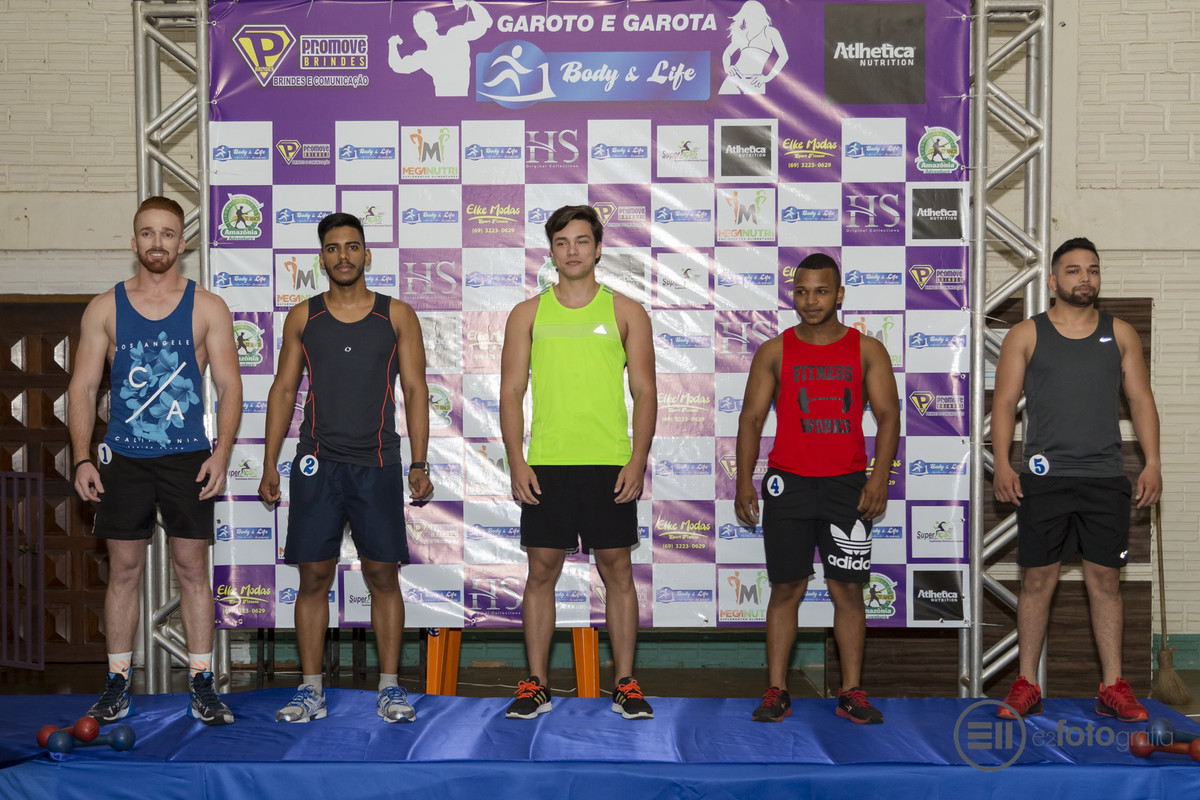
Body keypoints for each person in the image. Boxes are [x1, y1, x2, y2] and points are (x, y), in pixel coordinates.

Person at [68, 195, 242, 726]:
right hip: (124, 458)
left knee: (192, 570)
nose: (157, 243)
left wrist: (222, 453)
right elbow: (83, 387)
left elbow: (230, 387)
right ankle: (118, 684)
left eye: (167, 233)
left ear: (182, 243)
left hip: (187, 458)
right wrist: (81, 458)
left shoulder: (208, 306)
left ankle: (202, 684)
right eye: (147, 233)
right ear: (134, 241)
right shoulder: (104, 307)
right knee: (123, 570)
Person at [258, 212, 434, 723]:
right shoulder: (303, 317)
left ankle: (390, 688)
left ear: (366, 254)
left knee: (382, 574)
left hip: (377, 463)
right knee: (314, 576)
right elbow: (283, 390)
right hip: (317, 464)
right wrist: (269, 463)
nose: (343, 256)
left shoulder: (397, 315)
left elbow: (416, 390)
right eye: (333, 248)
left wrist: (419, 462)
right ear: (322, 258)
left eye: (352, 246)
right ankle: (311, 690)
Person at [992, 237, 1161, 722]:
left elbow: (1141, 400)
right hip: (1044, 479)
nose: (1084, 278)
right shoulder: (1025, 334)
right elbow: (1004, 402)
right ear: (1052, 280)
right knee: (1037, 579)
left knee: (1105, 581)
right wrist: (1002, 462)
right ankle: (1027, 683)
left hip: (1104, 478)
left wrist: (1153, 461)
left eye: (1092, 269)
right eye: (1073, 270)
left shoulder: (1120, 333)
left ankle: (1112, 686)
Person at [499, 205, 657, 720]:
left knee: (618, 571)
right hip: (548, 465)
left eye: (582, 241)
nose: (572, 250)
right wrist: (517, 460)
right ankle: (536, 684)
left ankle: (626, 683)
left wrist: (637, 460)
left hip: (609, 464)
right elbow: (510, 392)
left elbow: (646, 392)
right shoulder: (527, 314)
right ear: (551, 250)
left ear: (598, 247)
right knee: (540, 573)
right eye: (562, 242)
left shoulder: (627, 311)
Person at [735, 253, 900, 724]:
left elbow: (889, 415)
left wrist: (878, 477)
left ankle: (851, 691)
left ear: (839, 294)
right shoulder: (774, 351)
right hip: (787, 484)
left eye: (822, 291)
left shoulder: (867, 350)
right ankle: (776, 690)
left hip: (847, 486)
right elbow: (751, 418)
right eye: (803, 291)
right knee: (786, 588)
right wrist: (743, 480)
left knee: (847, 590)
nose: (811, 300)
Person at [388, 0, 493, 97]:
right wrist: (392, 44)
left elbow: (486, 23)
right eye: (419, 25)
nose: (423, 27)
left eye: (425, 22)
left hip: (459, 101)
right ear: (417, 31)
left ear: (435, 24)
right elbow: (398, 66)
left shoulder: (455, 36)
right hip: (444, 103)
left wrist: (470, 2)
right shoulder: (424, 56)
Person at [718, 0, 789, 95]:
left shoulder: (770, 32)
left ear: (760, 15)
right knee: (722, 104)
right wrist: (728, 67)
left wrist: (767, 78)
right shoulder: (743, 33)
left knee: (753, 105)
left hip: (755, 81)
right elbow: (727, 53)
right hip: (734, 78)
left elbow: (784, 56)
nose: (749, 18)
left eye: (752, 14)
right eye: (747, 15)